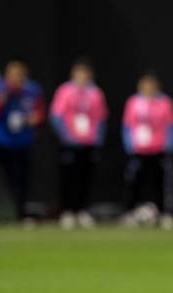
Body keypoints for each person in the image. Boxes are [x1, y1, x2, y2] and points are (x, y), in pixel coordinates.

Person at [0, 60, 45, 222]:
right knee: (6, 179)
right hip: (1, 141)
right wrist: (3, 98)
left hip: (23, 141)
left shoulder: (32, 90)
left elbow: (39, 113)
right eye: (14, 75)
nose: (17, 79)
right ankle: (3, 212)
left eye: (20, 75)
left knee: (23, 179)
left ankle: (20, 213)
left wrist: (32, 120)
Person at [50, 58, 108, 229]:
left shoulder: (96, 93)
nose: (82, 76)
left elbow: (101, 118)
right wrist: (66, 136)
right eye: (79, 73)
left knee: (86, 178)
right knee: (69, 177)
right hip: (70, 143)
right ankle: (68, 211)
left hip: (88, 143)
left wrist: (97, 138)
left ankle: (82, 210)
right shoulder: (65, 91)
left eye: (85, 73)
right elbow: (56, 116)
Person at [121, 72, 173, 229]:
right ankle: (130, 213)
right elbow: (127, 126)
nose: (148, 88)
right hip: (138, 151)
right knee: (134, 183)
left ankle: (165, 214)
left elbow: (171, 126)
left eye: (151, 85)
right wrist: (130, 146)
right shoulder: (133, 102)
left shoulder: (165, 102)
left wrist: (168, 146)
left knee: (162, 184)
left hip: (159, 151)